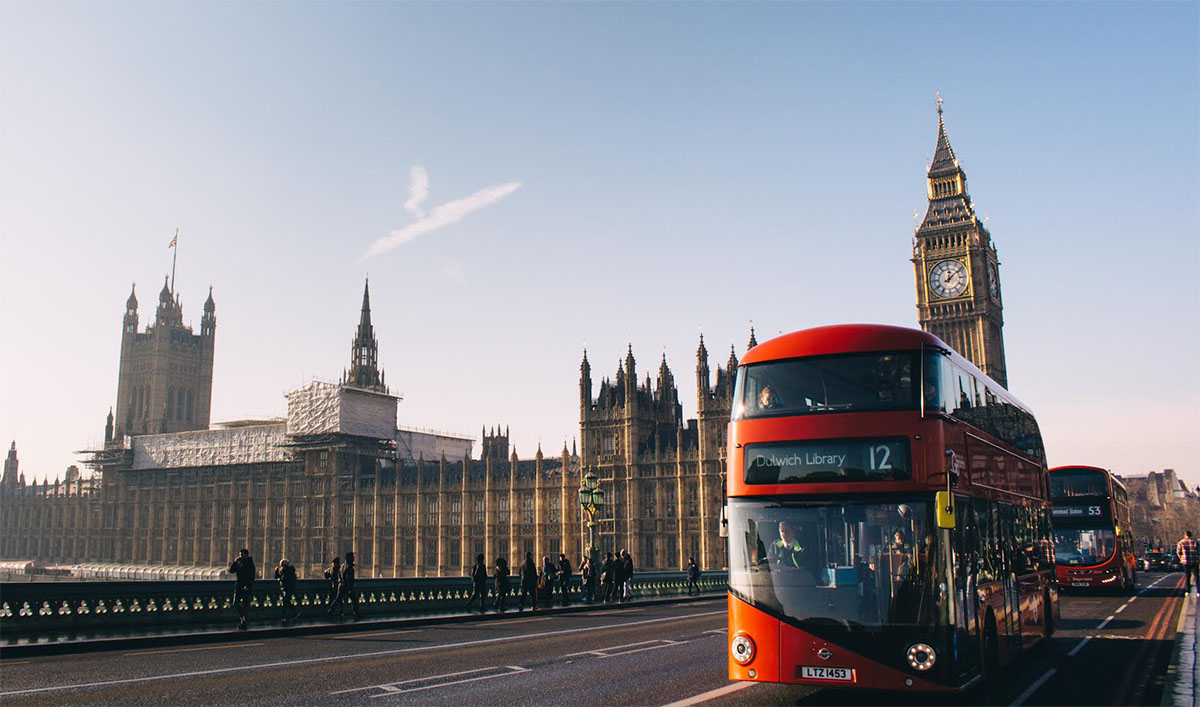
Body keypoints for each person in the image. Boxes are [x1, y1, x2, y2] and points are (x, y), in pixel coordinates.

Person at [228, 548, 255, 630]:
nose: (241, 556)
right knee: (235, 603)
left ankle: (244, 621)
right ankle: (242, 617)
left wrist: (248, 586)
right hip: (239, 586)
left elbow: (251, 577)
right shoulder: (239, 563)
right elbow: (231, 571)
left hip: (246, 587)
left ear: (247, 555)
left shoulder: (250, 564)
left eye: (242, 555)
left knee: (245, 605)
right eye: (240, 555)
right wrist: (235, 562)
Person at [329, 550, 359, 620]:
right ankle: (356, 614)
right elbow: (349, 579)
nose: (353, 558)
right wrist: (350, 588)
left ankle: (330, 611)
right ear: (349, 558)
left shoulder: (342, 566)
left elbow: (339, 575)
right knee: (354, 599)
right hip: (346, 586)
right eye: (352, 557)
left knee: (337, 599)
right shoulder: (349, 567)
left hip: (341, 585)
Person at [275, 558, 299, 623]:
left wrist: (280, 578)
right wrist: (276, 572)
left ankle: (283, 616)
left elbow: (283, 579)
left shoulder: (288, 571)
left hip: (287, 588)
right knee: (287, 601)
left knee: (286, 602)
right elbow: (278, 577)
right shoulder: (288, 570)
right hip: (287, 588)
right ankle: (295, 613)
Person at [1178, 531, 1200, 595]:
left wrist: (1182, 558)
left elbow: (1178, 552)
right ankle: (1198, 591)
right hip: (1195, 561)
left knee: (1187, 576)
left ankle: (1188, 591)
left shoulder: (1181, 542)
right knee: (1197, 576)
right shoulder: (1196, 542)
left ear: (1185, 535)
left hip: (1186, 561)